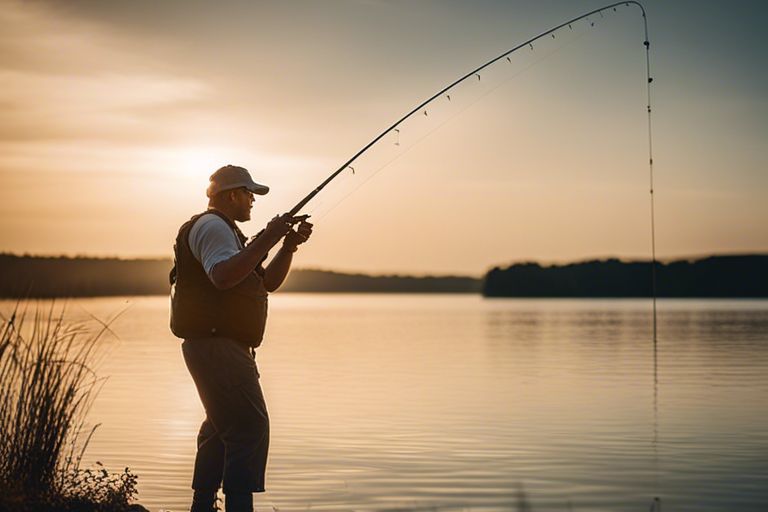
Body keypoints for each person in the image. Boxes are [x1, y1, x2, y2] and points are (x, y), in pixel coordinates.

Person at [169, 164, 313, 512]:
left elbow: (266, 283)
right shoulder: (213, 227)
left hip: (220, 348)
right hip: (217, 347)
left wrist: (288, 246)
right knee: (249, 427)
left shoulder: (229, 234)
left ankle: (202, 506)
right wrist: (269, 237)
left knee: (221, 429)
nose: (253, 201)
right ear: (232, 195)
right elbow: (222, 277)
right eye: (249, 194)